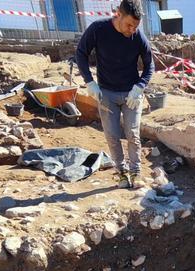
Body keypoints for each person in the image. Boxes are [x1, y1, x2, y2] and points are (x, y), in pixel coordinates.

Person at [75, 0, 154, 189]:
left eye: (135, 26)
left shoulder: (138, 37)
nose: (132, 30)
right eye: (129, 25)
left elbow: (149, 65)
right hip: (106, 94)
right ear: (118, 14)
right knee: (112, 135)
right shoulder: (98, 29)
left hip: (131, 95)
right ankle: (121, 173)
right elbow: (81, 53)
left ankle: (135, 172)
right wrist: (89, 81)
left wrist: (140, 87)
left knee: (133, 134)